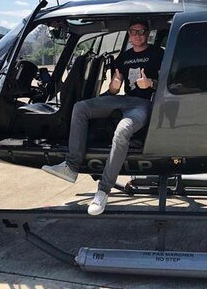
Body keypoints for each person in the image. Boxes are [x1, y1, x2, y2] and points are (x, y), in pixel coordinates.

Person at [42, 21, 164, 215]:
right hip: (123, 99)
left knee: (123, 130)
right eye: (133, 32)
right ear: (129, 34)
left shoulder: (159, 54)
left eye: (141, 31)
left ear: (147, 33)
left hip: (144, 104)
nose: (137, 35)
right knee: (80, 108)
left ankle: (103, 191)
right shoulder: (124, 57)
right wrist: (114, 86)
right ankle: (71, 166)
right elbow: (115, 88)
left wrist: (151, 83)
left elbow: (169, 83)